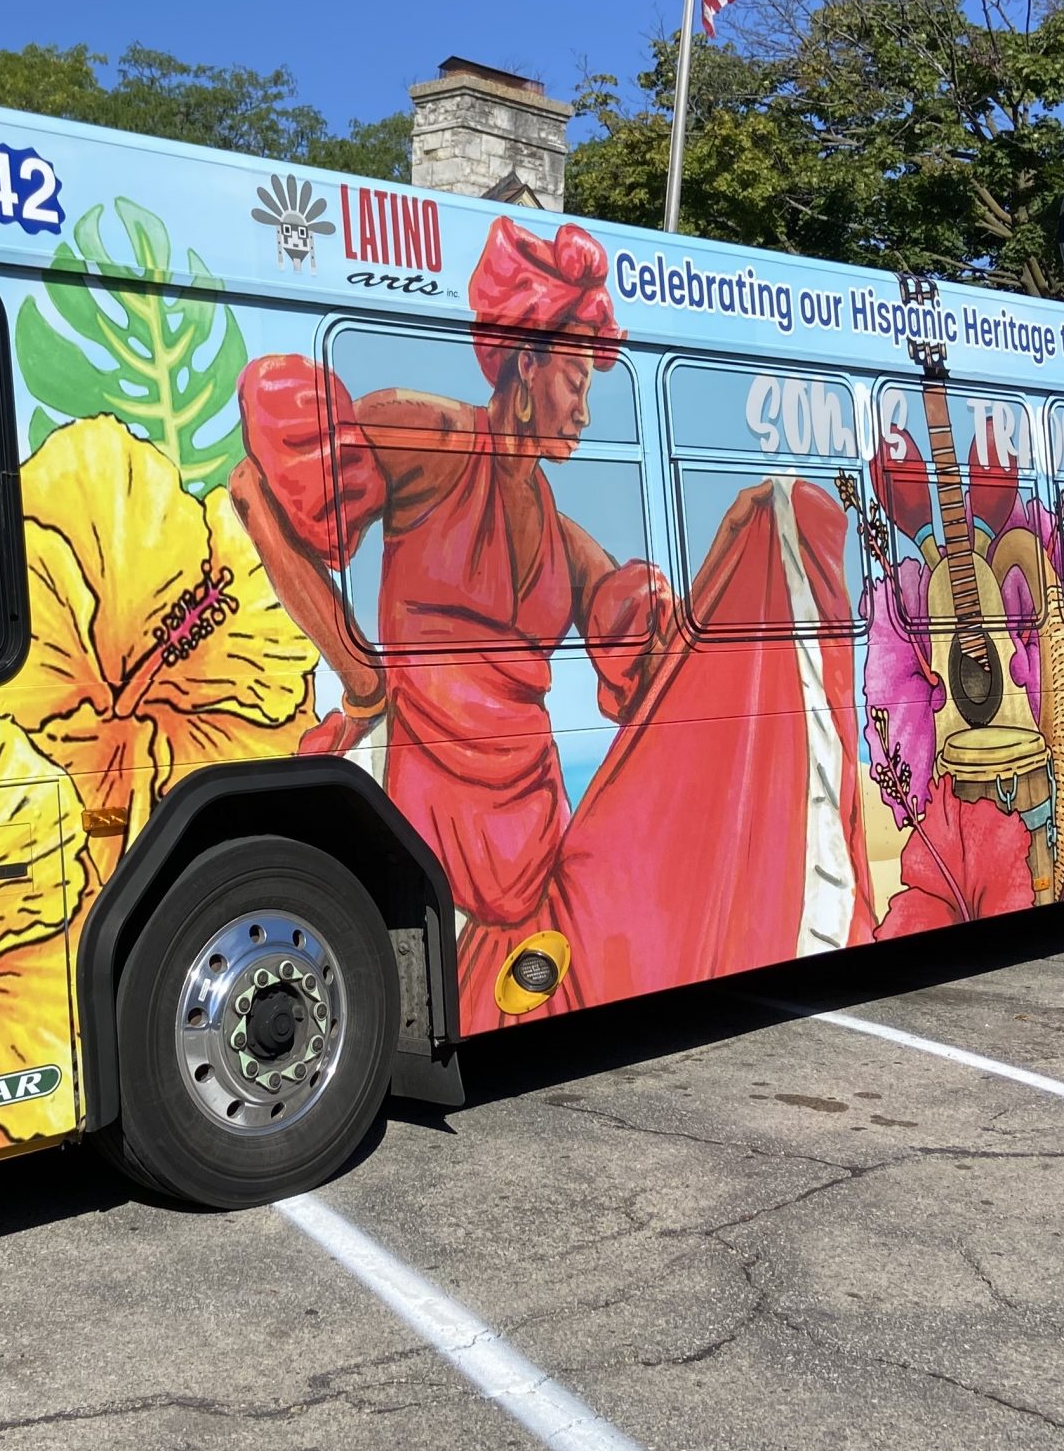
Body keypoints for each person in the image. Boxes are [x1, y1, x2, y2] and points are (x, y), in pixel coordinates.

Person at [232, 216, 874, 1033]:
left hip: (527, 826)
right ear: (527, 363)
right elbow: (262, 495)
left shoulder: (560, 532)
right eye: (577, 378)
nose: (585, 406)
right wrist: (361, 681)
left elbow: (656, 649)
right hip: (426, 794)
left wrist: (751, 541)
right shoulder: (429, 436)